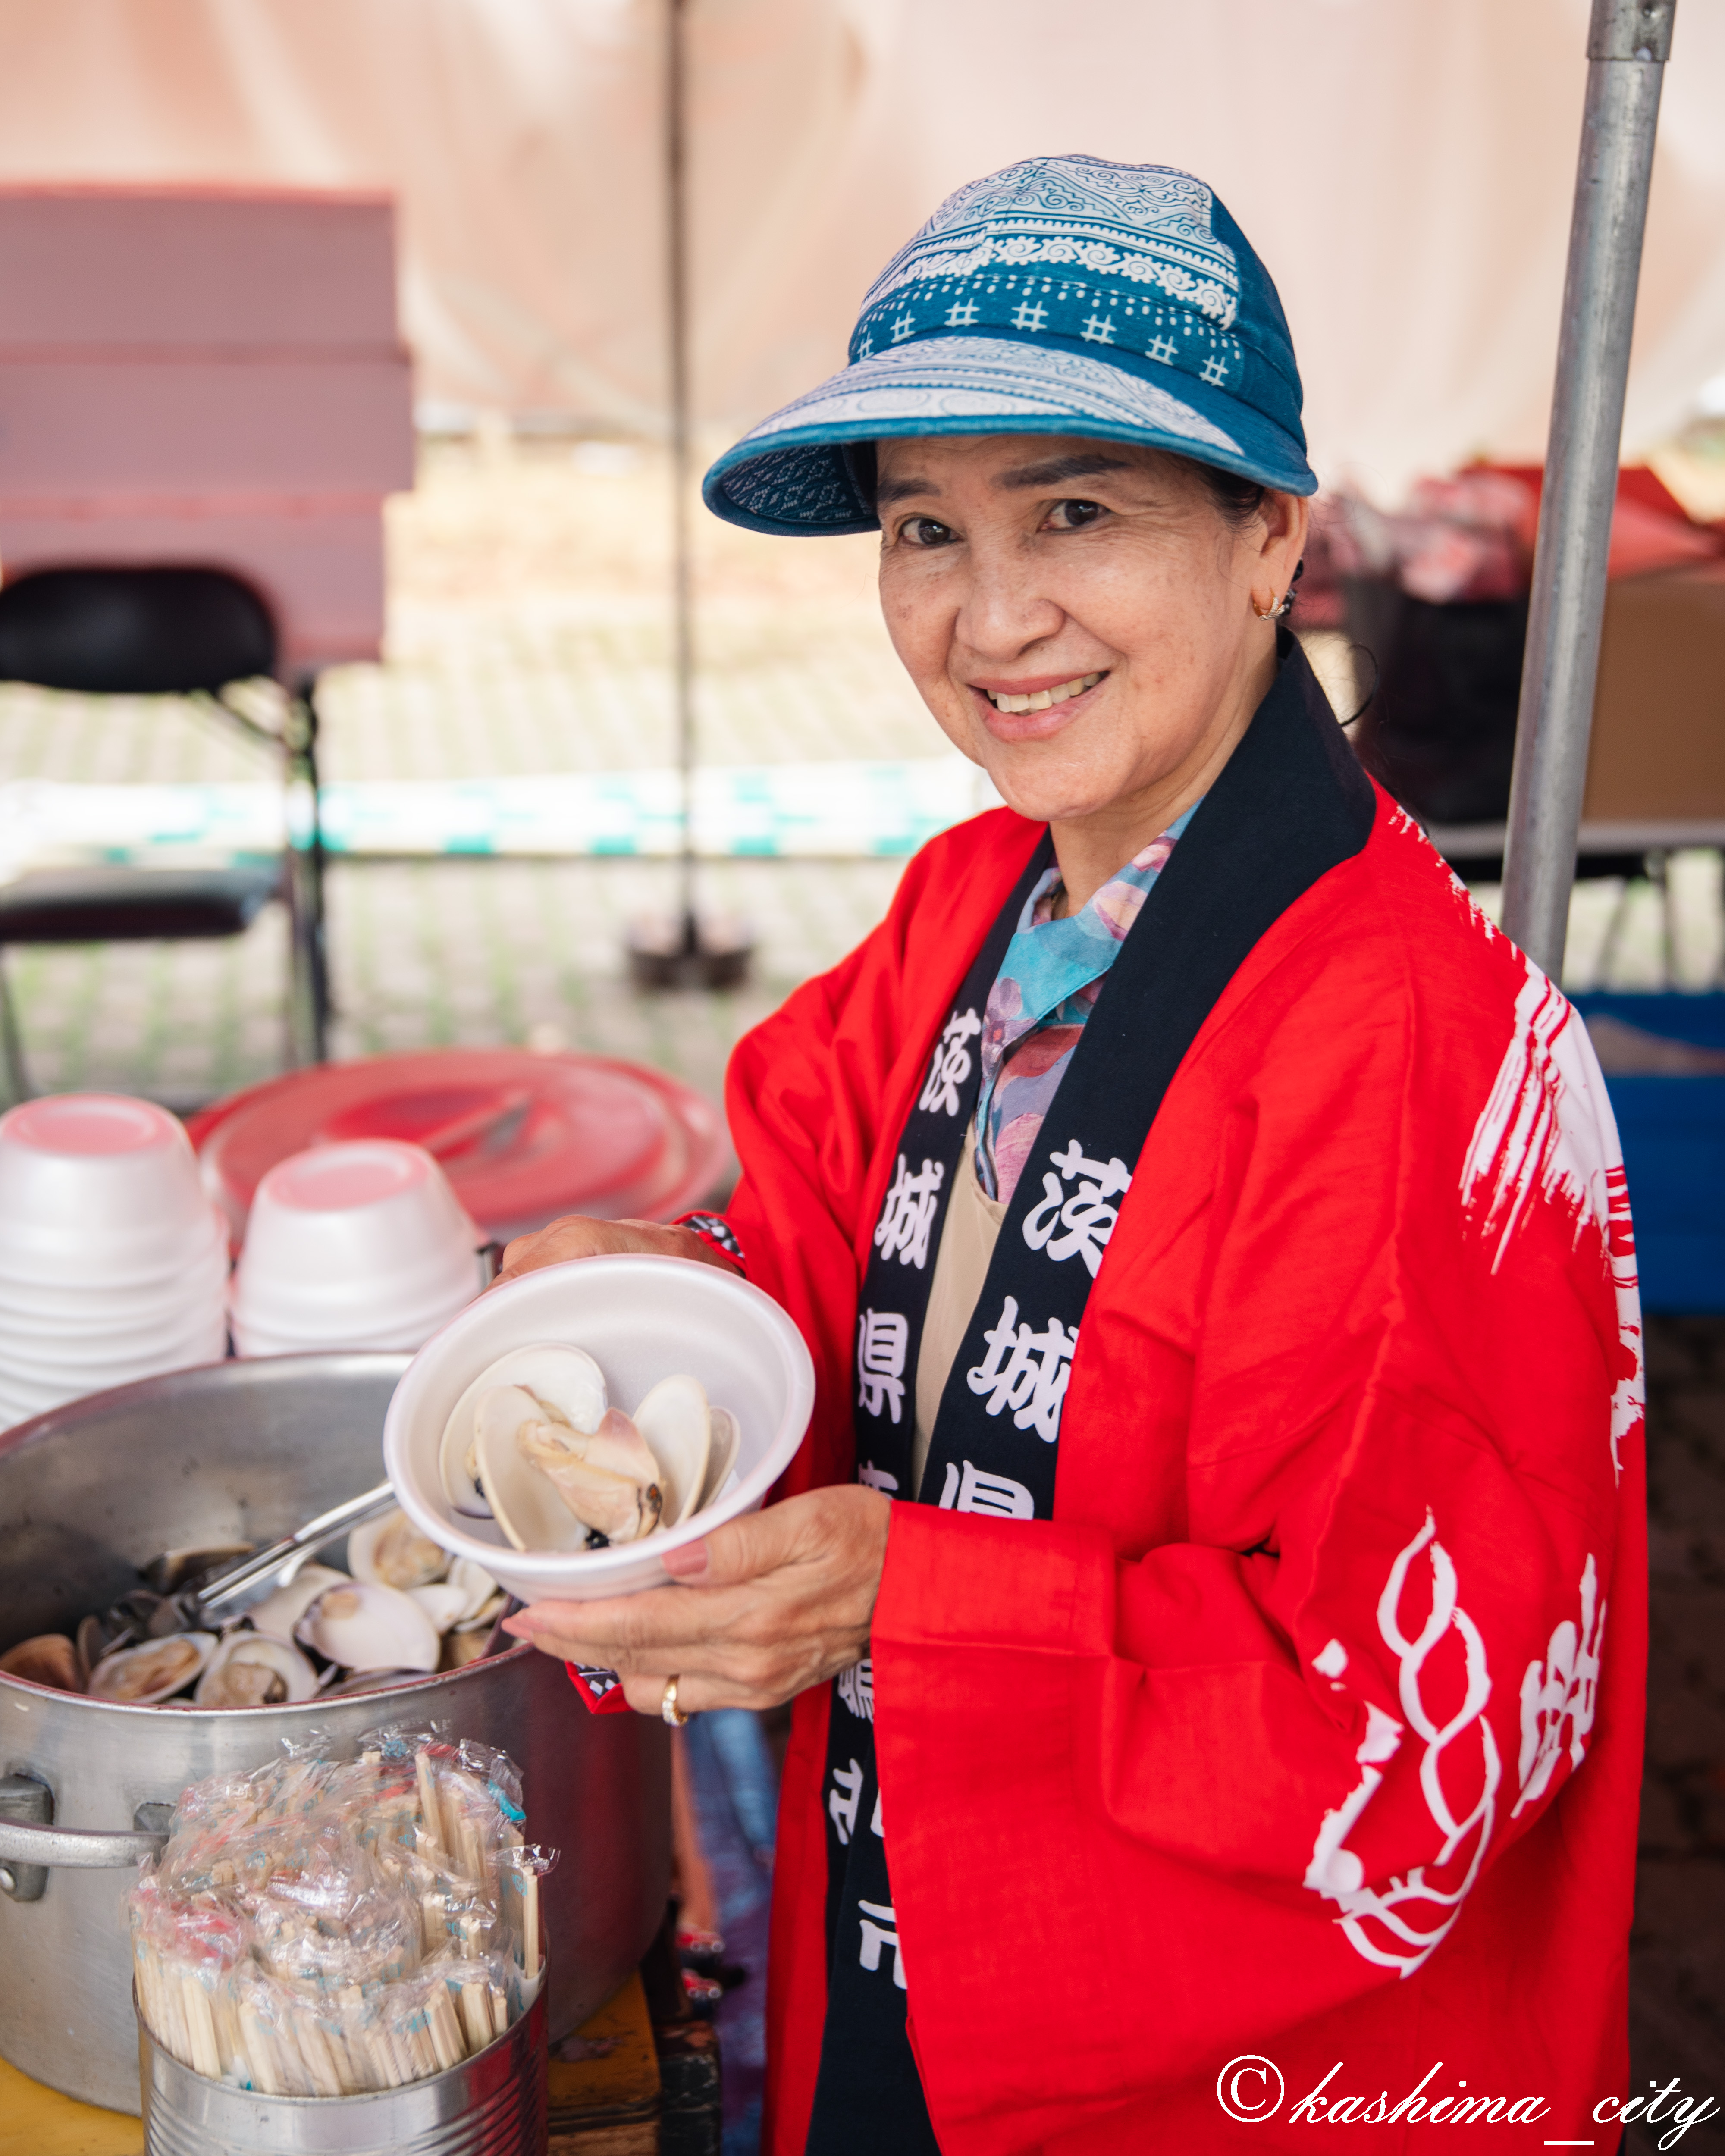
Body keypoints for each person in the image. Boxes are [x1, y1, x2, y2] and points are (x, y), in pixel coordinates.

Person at [499, 157, 1644, 2153]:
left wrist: (906, 1608)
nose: (990, 614)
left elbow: (1395, 1732)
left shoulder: (1420, 1056)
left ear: (1272, 537)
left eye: (1077, 512)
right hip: (911, 1952)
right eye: (925, 528)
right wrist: (658, 1298)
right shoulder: (970, 905)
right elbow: (815, 1241)